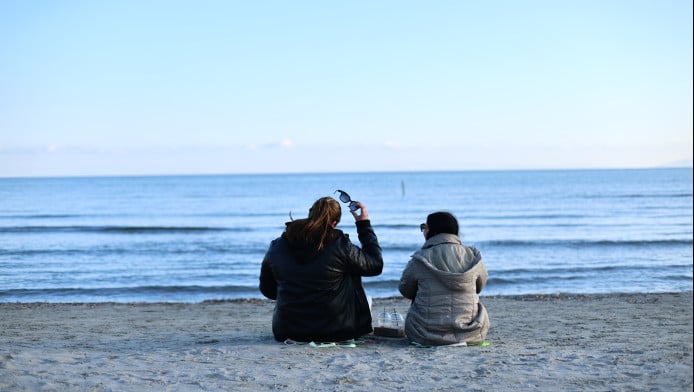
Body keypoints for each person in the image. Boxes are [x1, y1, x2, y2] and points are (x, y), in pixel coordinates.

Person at [259, 196, 383, 343]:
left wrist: (295, 294)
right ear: (334, 223)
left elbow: (267, 290)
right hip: (339, 331)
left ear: (310, 215)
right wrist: (364, 225)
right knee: (350, 268)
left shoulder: (277, 246)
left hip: (288, 330)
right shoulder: (341, 245)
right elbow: (375, 265)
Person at [398, 211, 490, 346]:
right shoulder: (473, 257)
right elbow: (479, 286)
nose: (423, 231)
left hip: (424, 333)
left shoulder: (420, 259)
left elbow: (405, 290)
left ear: (431, 230)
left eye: (424, 227)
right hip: (471, 332)